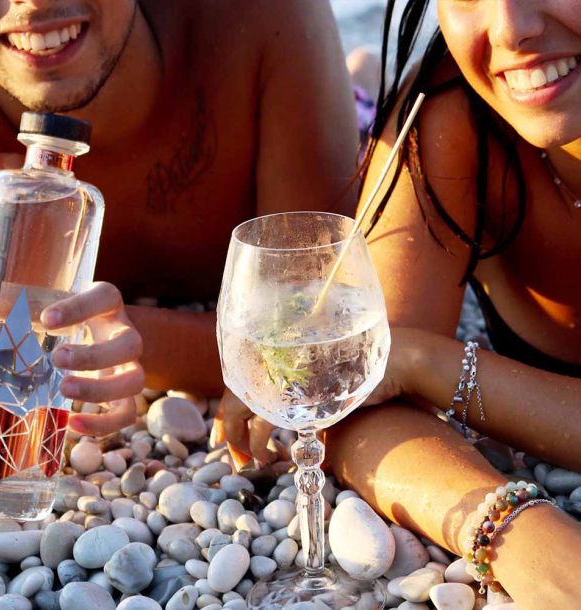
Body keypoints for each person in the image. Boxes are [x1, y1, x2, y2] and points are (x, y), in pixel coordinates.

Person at [217, 1, 581, 607]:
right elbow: (356, 410)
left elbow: (386, 367)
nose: (511, 28)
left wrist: (427, 362)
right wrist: (519, 537)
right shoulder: (457, 110)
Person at [0, 0, 359, 434]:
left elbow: (316, 337)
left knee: (365, 97)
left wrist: (91, 335)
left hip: (338, 114)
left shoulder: (267, 22)